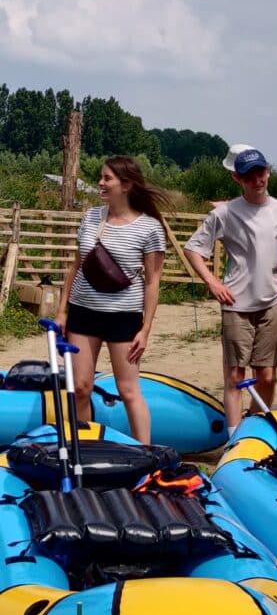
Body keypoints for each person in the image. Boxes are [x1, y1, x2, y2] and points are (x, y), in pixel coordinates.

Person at [185, 148, 277, 437]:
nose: (257, 180)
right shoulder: (224, 213)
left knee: (267, 375)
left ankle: (256, 431)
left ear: (268, 172)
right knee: (235, 374)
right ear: (237, 178)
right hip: (236, 304)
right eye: (249, 176)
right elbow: (193, 249)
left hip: (272, 304)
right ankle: (234, 438)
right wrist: (213, 283)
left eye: (260, 173)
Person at [55, 156, 169, 444]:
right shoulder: (91, 217)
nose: (100, 183)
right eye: (101, 177)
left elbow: (152, 281)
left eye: (107, 178)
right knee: (81, 387)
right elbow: (76, 266)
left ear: (126, 185)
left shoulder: (150, 228)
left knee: (128, 390)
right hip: (83, 314)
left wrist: (145, 329)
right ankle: (85, 447)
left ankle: (146, 454)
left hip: (124, 317)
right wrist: (62, 311)